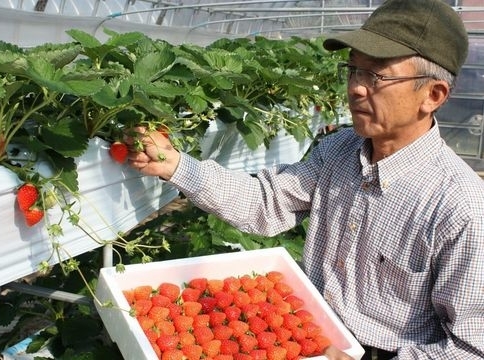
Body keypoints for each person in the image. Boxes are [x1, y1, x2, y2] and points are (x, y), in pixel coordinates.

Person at [126, 0, 484, 359]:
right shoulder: (339, 150)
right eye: (353, 70)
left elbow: (471, 348)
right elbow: (266, 203)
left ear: (432, 95)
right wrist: (175, 164)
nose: (357, 88)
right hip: (303, 335)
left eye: (376, 75)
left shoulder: (460, 206)